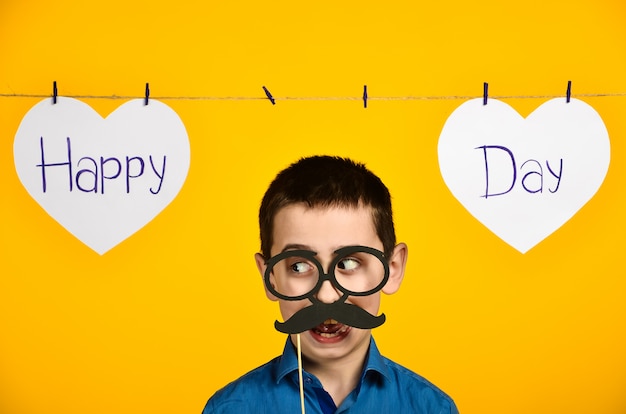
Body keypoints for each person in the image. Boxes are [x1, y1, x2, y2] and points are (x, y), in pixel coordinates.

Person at [202, 156, 458, 414]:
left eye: (348, 263)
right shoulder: (228, 408)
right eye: (299, 266)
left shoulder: (431, 408)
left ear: (392, 269)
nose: (326, 296)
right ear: (269, 277)